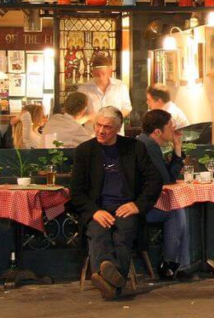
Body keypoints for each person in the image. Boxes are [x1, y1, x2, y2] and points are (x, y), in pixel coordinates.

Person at [68, 106, 162, 300]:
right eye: (98, 125)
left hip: (125, 207)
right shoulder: (84, 151)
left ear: (118, 128)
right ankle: (114, 282)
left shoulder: (134, 148)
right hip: (97, 208)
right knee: (98, 233)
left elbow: (154, 180)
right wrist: (94, 211)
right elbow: (76, 192)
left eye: (107, 127)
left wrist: (137, 205)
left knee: (123, 235)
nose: (101, 131)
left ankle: (106, 278)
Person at [138, 109, 190, 280]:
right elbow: (167, 179)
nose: (174, 127)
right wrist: (177, 147)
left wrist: (177, 146)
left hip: (137, 204)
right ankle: (171, 264)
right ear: (158, 131)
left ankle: (178, 264)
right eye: (170, 125)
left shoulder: (143, 141)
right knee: (175, 210)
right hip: (138, 209)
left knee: (176, 208)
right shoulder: (149, 146)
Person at [77, 52, 133, 122]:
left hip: (115, 127)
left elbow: (127, 107)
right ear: (92, 73)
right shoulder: (83, 89)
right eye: (97, 75)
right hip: (92, 128)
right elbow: (78, 112)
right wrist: (89, 117)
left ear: (109, 72)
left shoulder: (120, 86)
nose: (101, 77)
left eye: (103, 74)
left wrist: (114, 118)